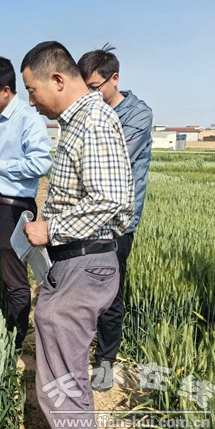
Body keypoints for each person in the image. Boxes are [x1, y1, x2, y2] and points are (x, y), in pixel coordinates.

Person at [20, 41, 134, 429]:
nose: (31, 101)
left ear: (56, 79)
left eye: (32, 90)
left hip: (85, 261)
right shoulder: (79, 121)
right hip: (78, 261)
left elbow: (111, 199)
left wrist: (51, 228)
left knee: (64, 386)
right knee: (62, 375)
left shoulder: (94, 121)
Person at [78, 45, 153, 392]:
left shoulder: (138, 114)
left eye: (95, 87)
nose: (91, 94)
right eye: (86, 88)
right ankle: (78, 350)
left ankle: (106, 359)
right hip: (84, 218)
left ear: (115, 79)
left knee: (110, 291)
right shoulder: (87, 112)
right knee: (82, 286)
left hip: (118, 222)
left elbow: (113, 158)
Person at [0, 56, 52, 350]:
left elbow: (40, 164)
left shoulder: (29, 119)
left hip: (13, 208)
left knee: (14, 279)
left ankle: (14, 342)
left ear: (5, 90)